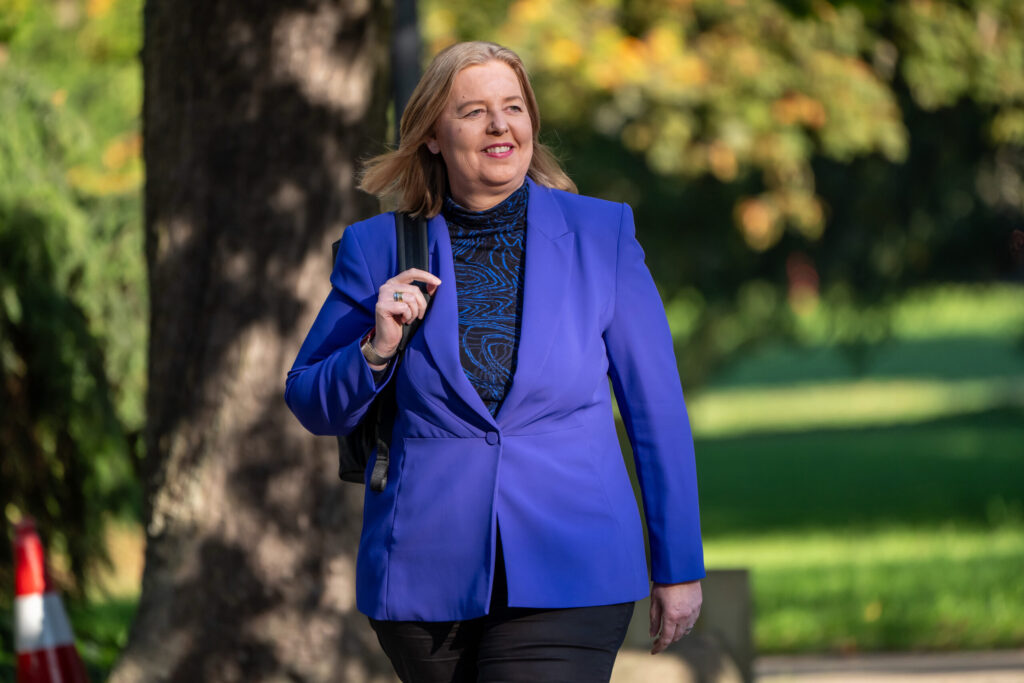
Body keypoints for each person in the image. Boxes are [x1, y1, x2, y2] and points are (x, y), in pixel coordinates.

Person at [285, 41, 704, 682]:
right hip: (422, 574)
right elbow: (309, 399)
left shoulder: (603, 235)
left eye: (513, 107)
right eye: (474, 111)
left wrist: (678, 567)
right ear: (432, 136)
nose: (500, 126)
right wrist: (376, 349)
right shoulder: (375, 248)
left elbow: (657, 414)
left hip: (574, 565)